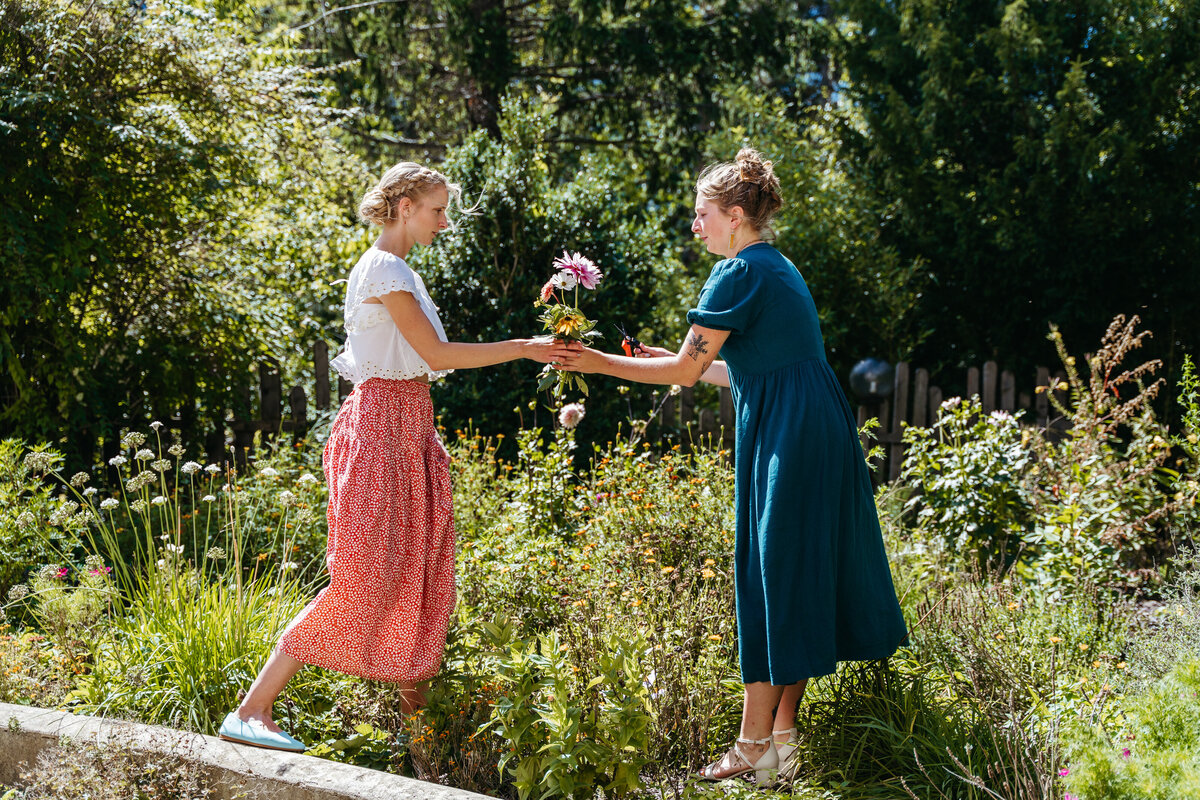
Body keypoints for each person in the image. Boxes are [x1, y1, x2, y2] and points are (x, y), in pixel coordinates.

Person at [560, 148, 908, 782]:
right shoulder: (777, 266)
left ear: (737, 215)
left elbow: (685, 373)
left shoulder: (737, 273)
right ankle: (781, 738)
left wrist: (599, 363)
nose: (696, 226)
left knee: (774, 570)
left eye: (703, 214)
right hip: (812, 426)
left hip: (790, 436)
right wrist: (678, 357)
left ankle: (751, 743)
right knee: (793, 569)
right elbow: (740, 367)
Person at [218, 162, 580, 752]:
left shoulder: (400, 271)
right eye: (437, 210)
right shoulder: (384, 266)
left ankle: (423, 745)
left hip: (408, 428)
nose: (444, 222)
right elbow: (435, 351)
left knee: (422, 576)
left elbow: (425, 360)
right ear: (405, 204)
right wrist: (523, 348)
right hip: (384, 428)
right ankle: (253, 708)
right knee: (363, 576)